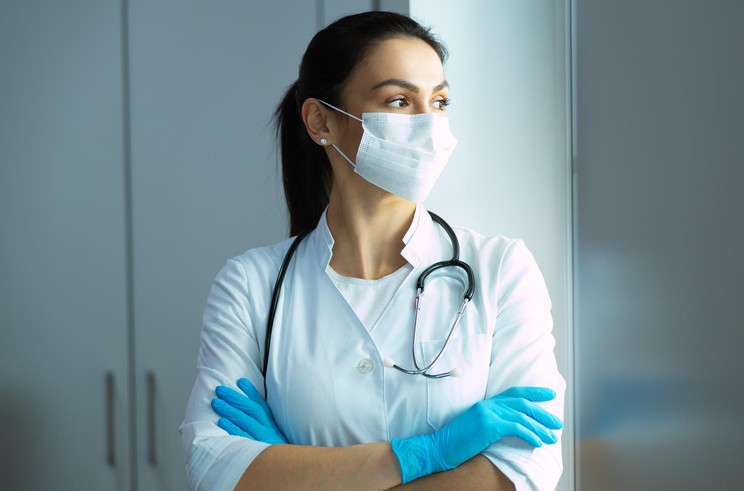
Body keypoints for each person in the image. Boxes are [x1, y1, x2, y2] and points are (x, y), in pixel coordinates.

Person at [179, 11, 565, 491]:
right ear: (321, 120)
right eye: (400, 100)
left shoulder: (501, 269)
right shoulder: (251, 285)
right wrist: (428, 454)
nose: (430, 124)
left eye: (440, 101)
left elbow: (525, 472)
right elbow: (214, 469)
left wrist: (295, 471)